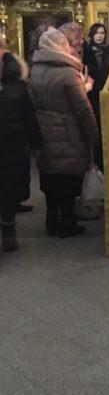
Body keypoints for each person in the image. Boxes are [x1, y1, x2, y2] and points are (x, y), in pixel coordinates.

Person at [30, 30, 98, 238]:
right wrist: (93, 133)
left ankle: (51, 220)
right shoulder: (68, 72)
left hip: (43, 128)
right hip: (68, 131)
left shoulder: (35, 70)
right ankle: (67, 223)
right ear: (61, 46)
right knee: (68, 178)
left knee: (50, 174)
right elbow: (82, 108)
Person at [0, 37, 41, 252]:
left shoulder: (16, 82)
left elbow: (28, 115)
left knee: (8, 188)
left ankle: (8, 230)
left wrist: (35, 142)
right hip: (12, 141)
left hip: (11, 143)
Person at [83, 23, 109, 168]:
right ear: (92, 34)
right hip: (91, 94)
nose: (99, 36)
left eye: (102, 33)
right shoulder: (85, 52)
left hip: (106, 94)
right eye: (97, 33)